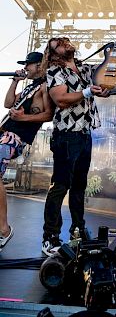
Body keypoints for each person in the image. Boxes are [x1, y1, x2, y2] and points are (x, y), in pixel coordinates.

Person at [42, 33, 116, 256]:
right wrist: (89, 91)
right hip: (65, 135)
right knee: (61, 185)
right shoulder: (54, 71)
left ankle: (78, 229)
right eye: (58, 45)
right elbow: (61, 98)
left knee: (79, 186)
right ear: (53, 54)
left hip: (84, 133)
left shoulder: (83, 68)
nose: (64, 45)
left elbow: (109, 75)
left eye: (65, 41)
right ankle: (50, 236)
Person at [0, 52, 53, 251]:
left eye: (29, 65)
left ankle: (4, 229)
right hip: (5, 132)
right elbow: (7, 103)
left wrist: (22, 119)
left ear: (40, 65)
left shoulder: (45, 86)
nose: (26, 68)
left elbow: (48, 115)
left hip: (16, 137)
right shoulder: (29, 87)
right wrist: (15, 82)